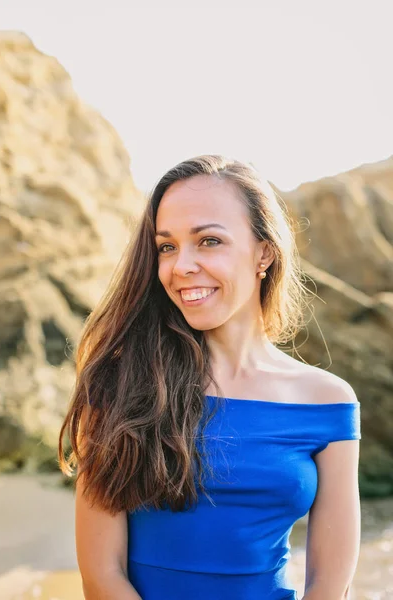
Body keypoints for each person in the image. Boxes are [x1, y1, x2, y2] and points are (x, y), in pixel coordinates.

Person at [58, 154, 361, 600]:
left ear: (264, 252)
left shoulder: (328, 402)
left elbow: (331, 586)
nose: (181, 266)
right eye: (167, 246)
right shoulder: (121, 384)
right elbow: (102, 577)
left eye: (209, 241)